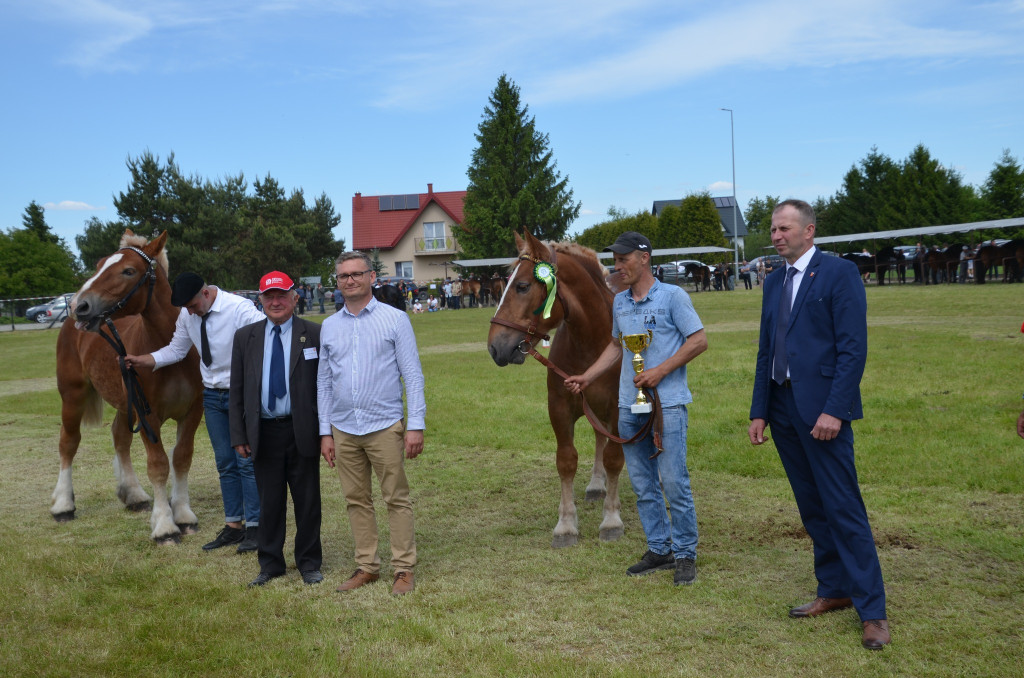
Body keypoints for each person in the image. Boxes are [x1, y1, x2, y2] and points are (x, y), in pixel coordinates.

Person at [747, 199, 889, 650]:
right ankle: (834, 589)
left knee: (843, 508)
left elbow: (853, 349)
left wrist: (836, 409)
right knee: (812, 507)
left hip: (823, 411)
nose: (776, 235)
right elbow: (766, 350)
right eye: (773, 229)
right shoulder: (773, 282)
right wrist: (760, 410)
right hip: (784, 410)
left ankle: (874, 612)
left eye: (784, 228)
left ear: (809, 231)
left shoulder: (839, 273)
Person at [565, 231, 708, 587]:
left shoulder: (673, 297)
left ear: (644, 258)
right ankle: (659, 549)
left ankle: (685, 553)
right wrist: (587, 376)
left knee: (673, 481)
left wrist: (660, 370)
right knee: (643, 484)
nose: (618, 266)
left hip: (668, 405)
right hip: (629, 405)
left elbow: (699, 340)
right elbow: (617, 347)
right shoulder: (620, 303)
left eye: (624, 259)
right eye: (615, 259)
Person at [125, 272, 265, 553]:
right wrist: (143, 360)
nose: (189, 311)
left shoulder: (241, 310)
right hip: (212, 396)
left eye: (192, 305)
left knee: (246, 462)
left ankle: (256, 527)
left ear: (205, 293)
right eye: (185, 308)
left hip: (242, 395)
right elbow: (176, 350)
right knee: (225, 462)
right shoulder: (188, 316)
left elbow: (265, 343)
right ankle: (234, 526)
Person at [318, 251, 426, 596]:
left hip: (384, 424)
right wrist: (325, 432)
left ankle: (403, 568)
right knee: (356, 499)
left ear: (371, 278)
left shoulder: (395, 319)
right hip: (344, 427)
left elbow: (412, 375)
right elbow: (323, 382)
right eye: (342, 276)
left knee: (396, 497)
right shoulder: (330, 327)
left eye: (356, 274)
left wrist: (415, 425)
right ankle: (367, 566)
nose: (349, 280)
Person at [229, 272, 323, 587]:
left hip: (303, 430)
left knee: (308, 500)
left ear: (295, 298)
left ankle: (309, 562)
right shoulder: (245, 337)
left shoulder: (314, 334)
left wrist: (326, 432)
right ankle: (270, 564)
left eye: (282, 295)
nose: (275, 302)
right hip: (264, 433)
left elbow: (325, 387)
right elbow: (237, 390)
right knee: (269, 503)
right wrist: (239, 435)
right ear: (260, 301)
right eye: (269, 297)